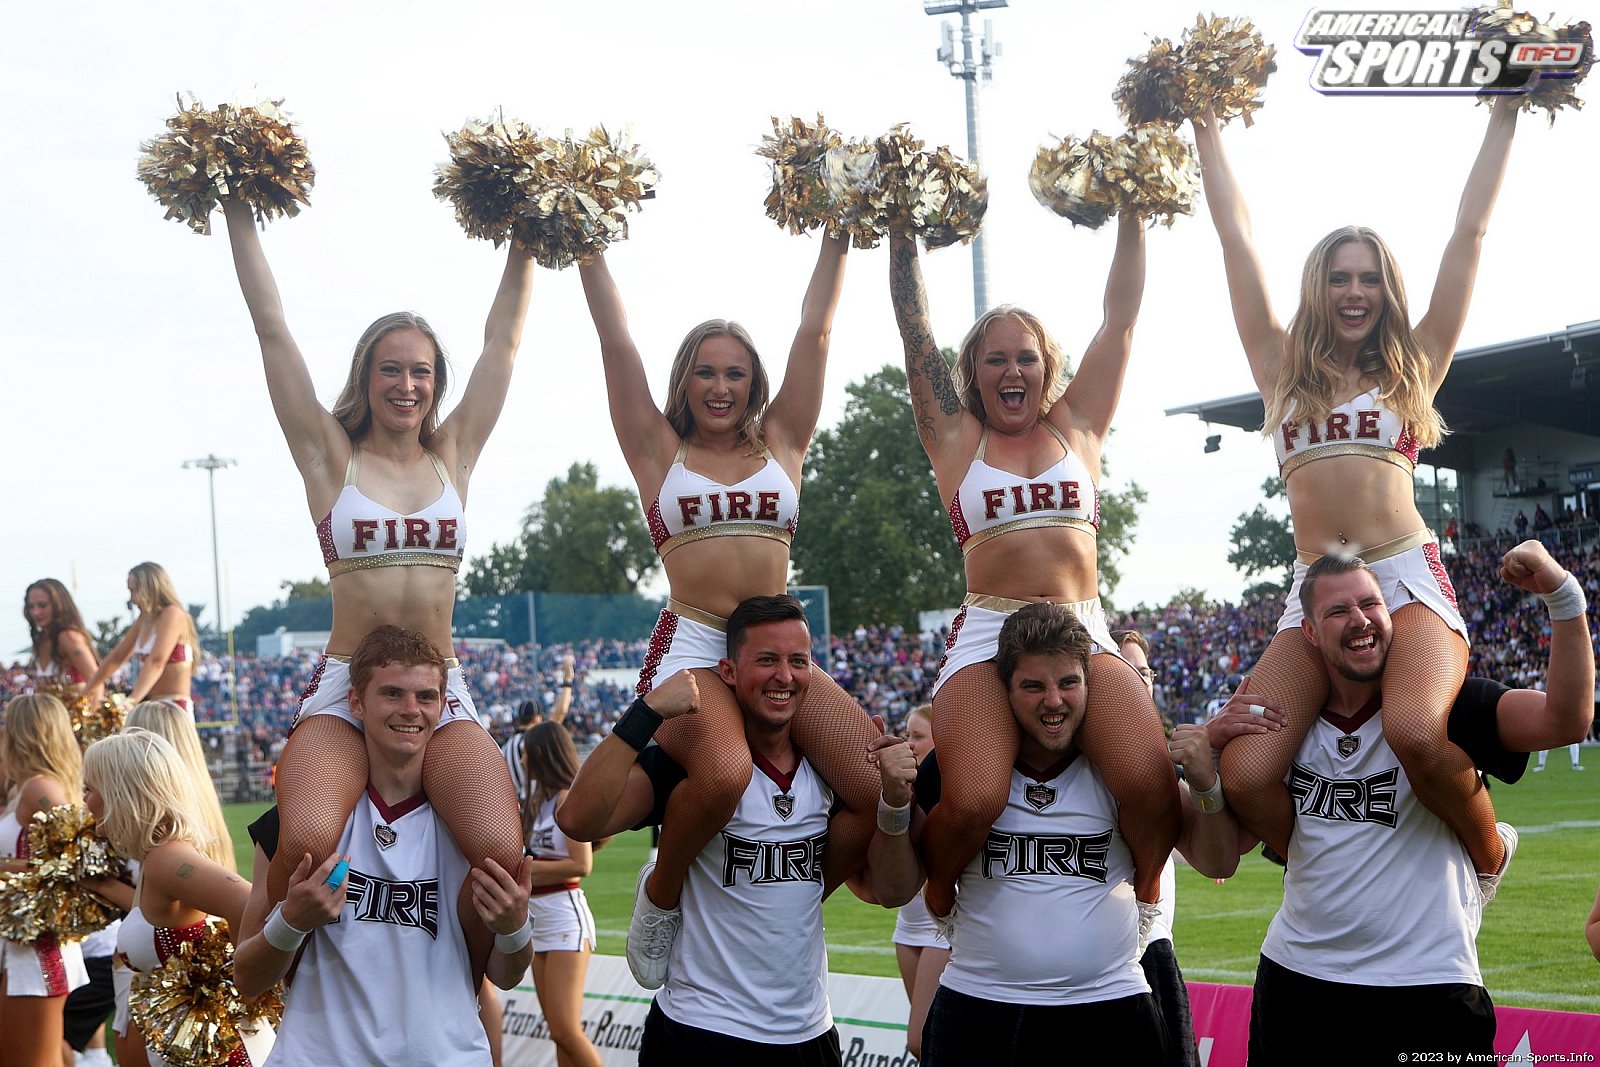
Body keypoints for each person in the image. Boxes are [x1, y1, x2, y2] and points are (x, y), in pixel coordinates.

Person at [1192, 98, 1521, 884]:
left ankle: (1490, 851)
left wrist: (1505, 113)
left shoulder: (1414, 364)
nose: (1354, 292)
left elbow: (1468, 236)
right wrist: (1205, 125)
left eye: (1369, 279)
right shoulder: (1277, 368)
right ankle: (1321, 864)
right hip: (1317, 592)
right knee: (1245, 772)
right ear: (1318, 285)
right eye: (1339, 277)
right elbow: (1235, 237)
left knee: (1413, 729)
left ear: (1387, 289)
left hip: (1405, 575)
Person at [218, 196, 533, 933]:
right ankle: (283, 971)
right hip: (346, 680)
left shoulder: (454, 454)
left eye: (421, 372)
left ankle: (463, 983)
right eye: (390, 369)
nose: (406, 385)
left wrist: (526, 232)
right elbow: (273, 330)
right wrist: (237, 206)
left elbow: (504, 346)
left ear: (436, 382)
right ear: (366, 376)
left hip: (437, 686)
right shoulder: (333, 458)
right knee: (307, 841)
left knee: (496, 844)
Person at [577, 232, 880, 987]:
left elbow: (816, 331)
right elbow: (616, 343)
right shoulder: (657, 450)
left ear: (754, 383)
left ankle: (801, 895)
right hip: (697, 647)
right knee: (723, 775)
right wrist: (586, 245)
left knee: (875, 787)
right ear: (685, 381)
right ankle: (663, 889)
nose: (720, 388)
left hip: (775, 646)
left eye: (736, 374)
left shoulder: (783, 439)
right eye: (706, 373)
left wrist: (837, 231)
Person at [886, 214, 1179, 926]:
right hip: (992, 626)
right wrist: (900, 225)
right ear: (973, 374)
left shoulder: (1077, 425)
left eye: (1025, 357)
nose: (1012, 370)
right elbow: (914, 328)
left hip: (1081, 626)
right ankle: (941, 890)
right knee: (977, 796)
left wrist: (1135, 210)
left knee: (1148, 779)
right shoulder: (955, 437)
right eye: (995, 359)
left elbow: (1122, 317)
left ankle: (1143, 890)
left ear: (1047, 366)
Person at [1215, 541, 1594, 1063]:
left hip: (1431, 985)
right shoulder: (1282, 725)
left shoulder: (1445, 709)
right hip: (1298, 982)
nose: (1361, 620)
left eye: (1371, 604)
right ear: (1308, 631)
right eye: (1338, 611)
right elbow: (1220, 849)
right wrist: (1214, 746)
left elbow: (1566, 720)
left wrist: (1562, 595)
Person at [557, 595, 917, 1065]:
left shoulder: (836, 773)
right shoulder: (694, 767)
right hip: (699, 1029)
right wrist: (645, 714)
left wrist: (893, 801)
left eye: (798, 662)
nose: (784, 676)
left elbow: (892, 892)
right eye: (766, 660)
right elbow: (577, 820)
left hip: (808, 1034)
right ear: (728, 671)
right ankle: (660, 891)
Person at [913, 604, 1246, 1066]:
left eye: (1069, 683)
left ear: (1091, 684)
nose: (1054, 701)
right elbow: (895, 883)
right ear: (1004, 691)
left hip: (1110, 1005)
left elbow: (1218, 861)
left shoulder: (1129, 771)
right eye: (1033, 686)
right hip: (978, 1005)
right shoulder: (957, 772)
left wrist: (1207, 786)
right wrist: (891, 807)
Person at [233, 625, 534, 1066]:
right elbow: (247, 977)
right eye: (392, 694)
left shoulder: (467, 827)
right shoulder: (301, 823)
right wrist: (292, 922)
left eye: (426, 697)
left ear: (442, 706)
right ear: (356, 702)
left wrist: (514, 928)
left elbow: (505, 978)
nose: (411, 710)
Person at [80, 730, 271, 1066]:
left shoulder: (166, 859)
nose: (84, 800)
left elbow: (243, 899)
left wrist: (246, 988)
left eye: (89, 789)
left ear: (119, 793)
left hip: (223, 1051)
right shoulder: (156, 857)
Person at [1113, 628, 1199, 1067]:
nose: (1140, 680)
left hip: (1154, 946)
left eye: (1144, 671)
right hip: (1105, 958)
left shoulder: (1161, 753)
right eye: (1126, 669)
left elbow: (1209, 851)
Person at [0, 694, 90, 1067]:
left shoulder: (42, 789)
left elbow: (79, 866)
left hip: (37, 952)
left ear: (23, 734)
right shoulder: (25, 787)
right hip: (21, 945)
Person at [517, 721, 602, 1067]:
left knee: (566, 1030)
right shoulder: (542, 799)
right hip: (539, 920)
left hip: (565, 918)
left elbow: (581, 865)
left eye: (525, 753)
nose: (521, 761)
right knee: (556, 1030)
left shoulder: (568, 798)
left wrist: (528, 869)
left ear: (540, 754)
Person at [888, 705, 946, 1060]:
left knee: (920, 1039)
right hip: (908, 928)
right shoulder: (902, 791)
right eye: (907, 735)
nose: (909, 744)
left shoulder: (948, 795)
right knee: (930, 1046)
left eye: (918, 736)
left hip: (939, 930)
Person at [79, 563, 198, 714]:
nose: (132, 599)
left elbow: (157, 661)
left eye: (134, 591)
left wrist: (132, 701)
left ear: (150, 588)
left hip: (173, 707)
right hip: (148, 704)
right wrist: (86, 691)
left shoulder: (173, 614)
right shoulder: (144, 619)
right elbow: (117, 657)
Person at [24, 578, 101, 704]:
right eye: (31, 606)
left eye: (42, 605)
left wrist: (90, 718)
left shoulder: (68, 637)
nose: (36, 612)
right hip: (50, 720)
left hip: (76, 719)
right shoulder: (41, 639)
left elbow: (96, 681)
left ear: (59, 604)